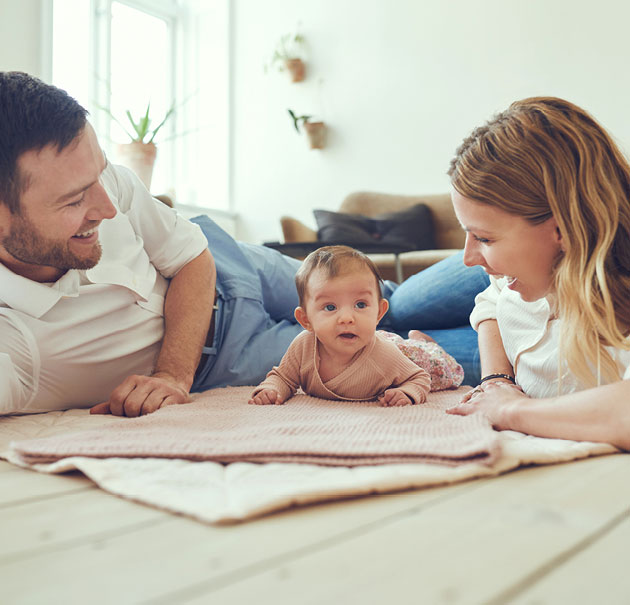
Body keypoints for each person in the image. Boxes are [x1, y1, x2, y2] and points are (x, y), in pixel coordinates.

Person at [0, 71, 487, 418]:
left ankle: (546, 246)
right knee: (398, 355)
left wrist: (170, 374)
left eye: (99, 175)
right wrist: (180, 375)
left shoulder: (107, 187)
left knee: (394, 302)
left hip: (228, 261)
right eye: (72, 201)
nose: (107, 208)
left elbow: (190, 256)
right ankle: (554, 334)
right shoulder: (11, 343)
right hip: (227, 353)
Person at [441, 96, 630, 451]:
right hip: (509, 319)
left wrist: (511, 409)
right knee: (387, 304)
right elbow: (491, 299)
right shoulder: (510, 273)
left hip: (532, 329)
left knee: (367, 340)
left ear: (563, 230)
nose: (466, 256)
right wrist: (496, 380)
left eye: (483, 237)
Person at [249, 246, 432, 406]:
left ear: (379, 312)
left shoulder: (385, 355)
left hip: (411, 356)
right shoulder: (303, 346)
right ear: (306, 320)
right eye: (330, 307)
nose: (346, 318)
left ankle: (425, 344)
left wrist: (406, 392)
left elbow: (420, 377)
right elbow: (283, 378)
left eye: (360, 305)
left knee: (436, 363)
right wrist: (271, 389)